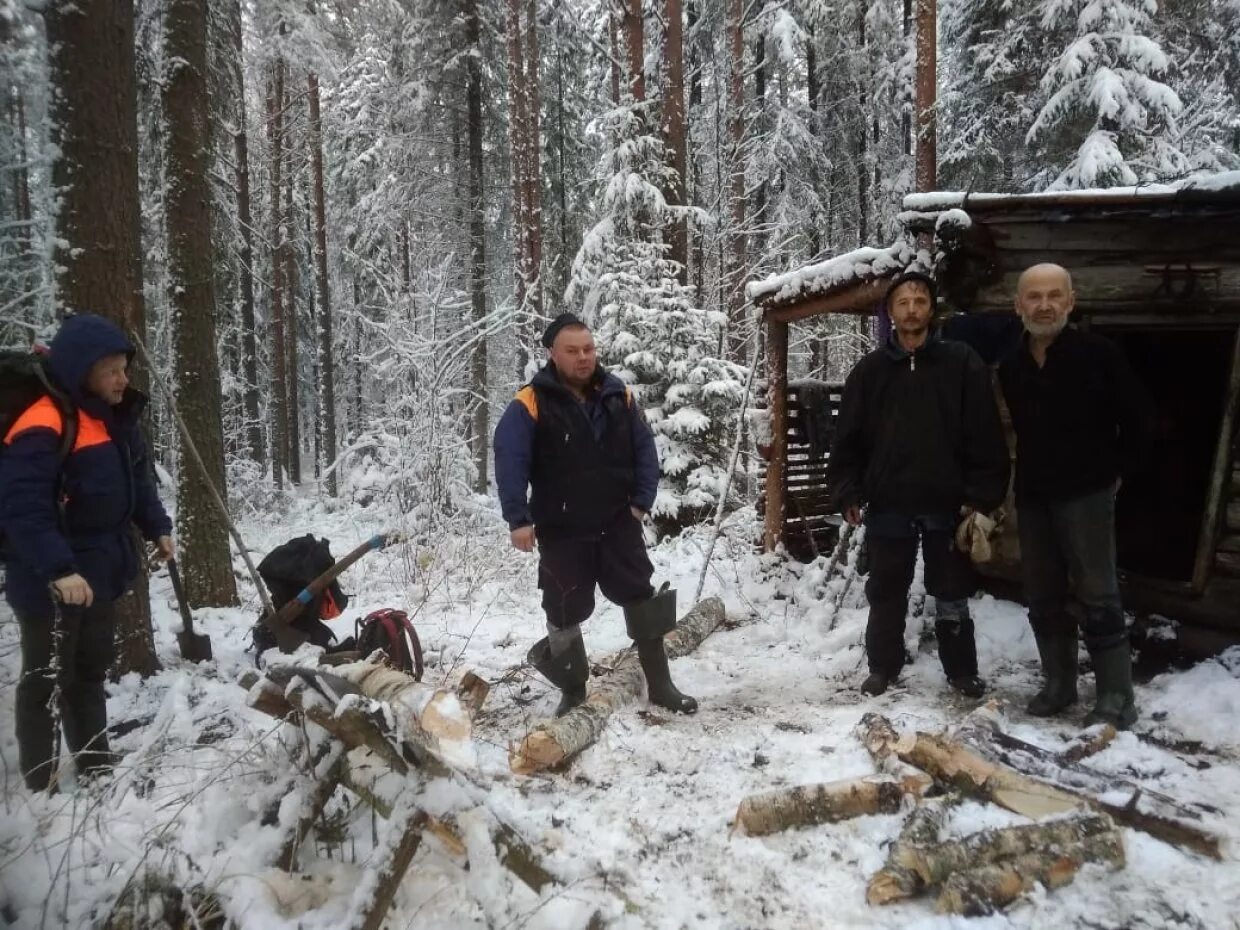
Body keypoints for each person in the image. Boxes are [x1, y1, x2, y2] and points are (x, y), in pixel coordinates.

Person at [1, 313, 174, 790]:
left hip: (100, 570)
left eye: (125, 368)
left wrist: (157, 526)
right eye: (112, 371)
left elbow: (137, 479)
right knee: (44, 681)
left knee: (90, 672)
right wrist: (59, 570)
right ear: (83, 372)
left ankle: (96, 766)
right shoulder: (43, 423)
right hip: (47, 580)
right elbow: (21, 508)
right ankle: (40, 784)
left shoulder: (113, 417)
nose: (123, 380)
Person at [493, 313, 697, 717]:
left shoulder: (618, 394)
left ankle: (660, 685)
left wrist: (641, 502)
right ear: (552, 354)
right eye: (572, 351)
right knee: (562, 606)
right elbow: (509, 459)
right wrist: (518, 519)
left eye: (588, 349)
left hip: (617, 522)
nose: (583, 357)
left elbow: (644, 450)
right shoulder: (530, 403)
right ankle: (573, 691)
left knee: (640, 594)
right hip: (562, 527)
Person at [828, 271, 1010, 697]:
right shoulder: (870, 372)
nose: (912, 309)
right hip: (889, 503)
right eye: (903, 302)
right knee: (886, 592)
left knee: (952, 593)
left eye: (920, 301)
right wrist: (848, 492)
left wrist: (982, 499)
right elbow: (847, 442)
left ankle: (961, 671)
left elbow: (985, 435)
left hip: (949, 506)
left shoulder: (961, 363)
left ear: (932, 308)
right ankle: (882, 667)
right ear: (890, 312)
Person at [998, 263, 1152, 729]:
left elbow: (1141, 418)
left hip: (1087, 492)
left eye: (1053, 296)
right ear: (1018, 306)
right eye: (1034, 297)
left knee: (1097, 593)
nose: (1044, 305)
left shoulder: (1099, 354)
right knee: (1042, 593)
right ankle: (1059, 686)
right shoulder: (1013, 365)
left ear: (1071, 301)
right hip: (1034, 495)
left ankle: (1115, 696)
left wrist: (1116, 473)